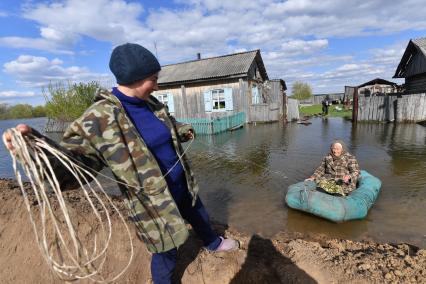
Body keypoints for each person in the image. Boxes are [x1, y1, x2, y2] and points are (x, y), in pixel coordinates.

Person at [3, 43, 238, 284]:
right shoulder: (99, 119)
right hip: (153, 205)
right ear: (135, 78)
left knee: (199, 213)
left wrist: (181, 130)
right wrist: (39, 153)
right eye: (153, 79)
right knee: (166, 250)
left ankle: (212, 242)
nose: (157, 85)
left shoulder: (153, 105)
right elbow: (74, 169)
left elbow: (166, 128)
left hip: (183, 185)